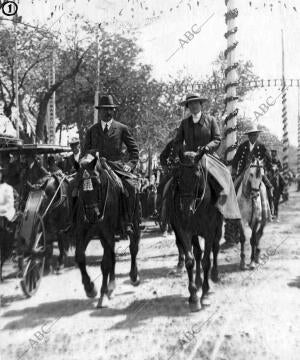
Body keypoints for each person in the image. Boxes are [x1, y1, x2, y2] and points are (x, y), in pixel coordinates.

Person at [171, 93, 241, 219]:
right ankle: (168, 213)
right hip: (188, 159)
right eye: (190, 104)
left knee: (225, 176)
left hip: (207, 156)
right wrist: (182, 153)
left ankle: (225, 211)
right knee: (169, 181)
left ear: (201, 104)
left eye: (195, 103)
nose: (193, 106)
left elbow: (217, 139)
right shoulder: (184, 123)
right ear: (188, 107)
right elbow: (177, 142)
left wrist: (207, 147)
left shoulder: (211, 120)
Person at [82, 94, 140, 236]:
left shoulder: (121, 128)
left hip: (116, 167)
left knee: (131, 188)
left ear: (113, 111)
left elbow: (134, 150)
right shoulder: (91, 130)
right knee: (75, 186)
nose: (107, 112)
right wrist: (89, 158)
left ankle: (128, 222)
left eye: (110, 109)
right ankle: (77, 222)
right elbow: (85, 151)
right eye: (104, 109)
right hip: (95, 167)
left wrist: (129, 165)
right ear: (99, 111)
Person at [231, 124, 273, 212]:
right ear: (249, 136)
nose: (254, 137)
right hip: (244, 171)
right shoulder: (243, 146)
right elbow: (235, 160)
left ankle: (270, 209)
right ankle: (232, 210)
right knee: (234, 186)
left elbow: (269, 159)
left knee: (269, 186)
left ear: (257, 135)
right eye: (252, 135)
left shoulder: (261, 146)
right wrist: (234, 171)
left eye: (255, 135)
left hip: (258, 172)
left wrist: (265, 169)